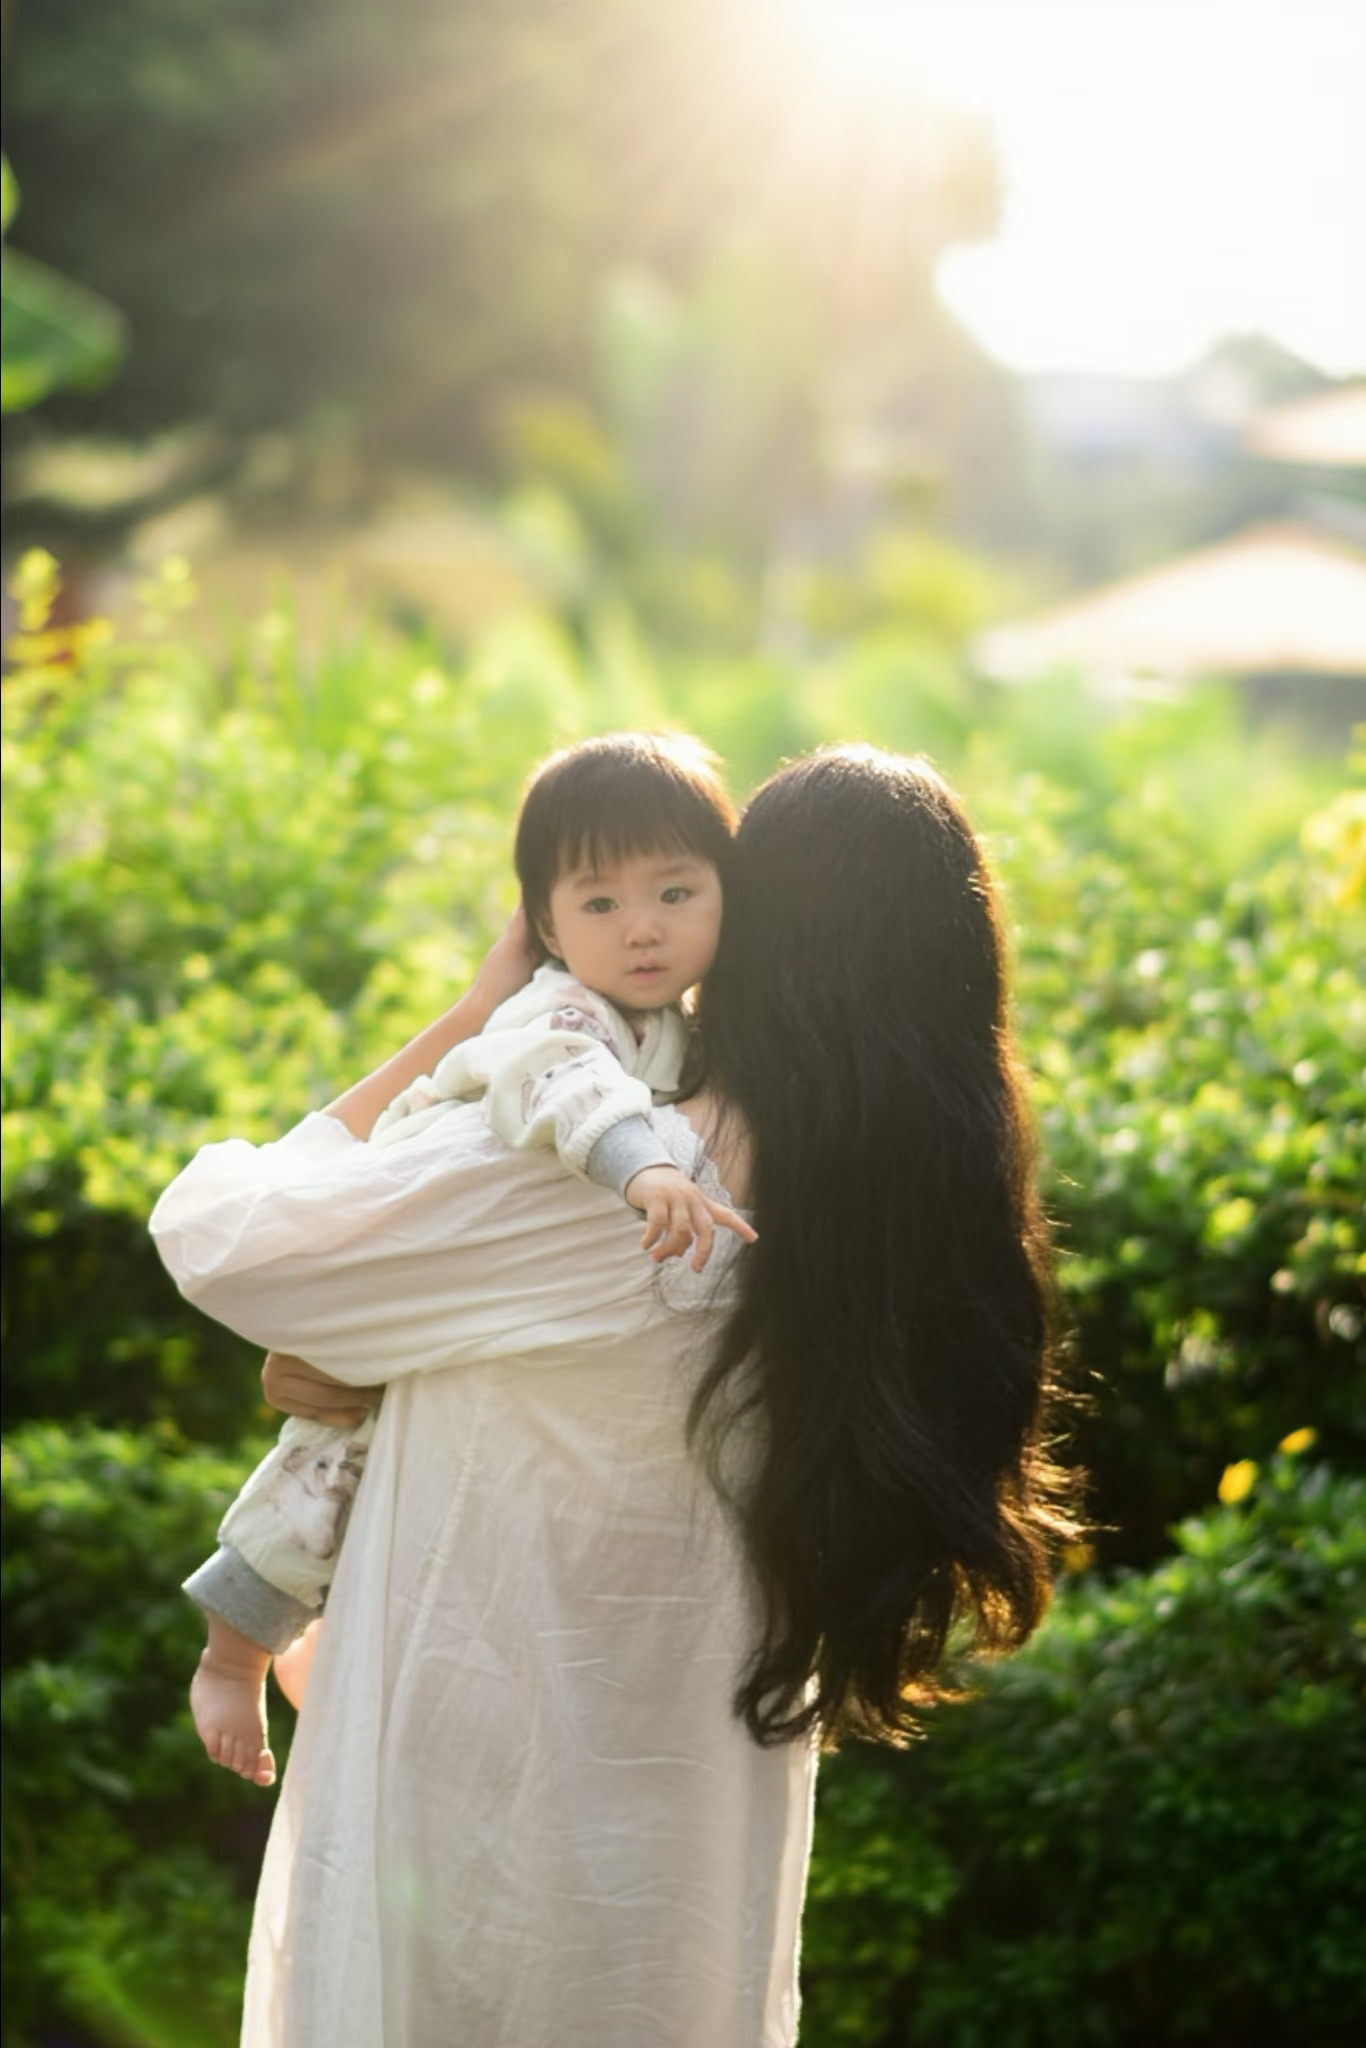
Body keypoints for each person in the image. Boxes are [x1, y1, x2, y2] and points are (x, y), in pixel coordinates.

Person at [150, 745, 1075, 2048]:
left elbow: (226, 1237)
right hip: (692, 1795)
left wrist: (476, 1009)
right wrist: (392, 1356)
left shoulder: (637, 1180)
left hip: (481, 1776)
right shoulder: (897, 1214)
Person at [173, 733, 755, 1790]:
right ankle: (232, 1654)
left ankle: (307, 1635)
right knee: (321, 1457)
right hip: (404, 1233)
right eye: (600, 903)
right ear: (544, 928)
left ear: (729, 893)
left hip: (462, 1286)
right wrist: (644, 1170)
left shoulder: (679, 1028)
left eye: (676, 892)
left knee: (364, 1451)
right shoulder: (561, 1011)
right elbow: (566, 1082)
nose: (642, 927)